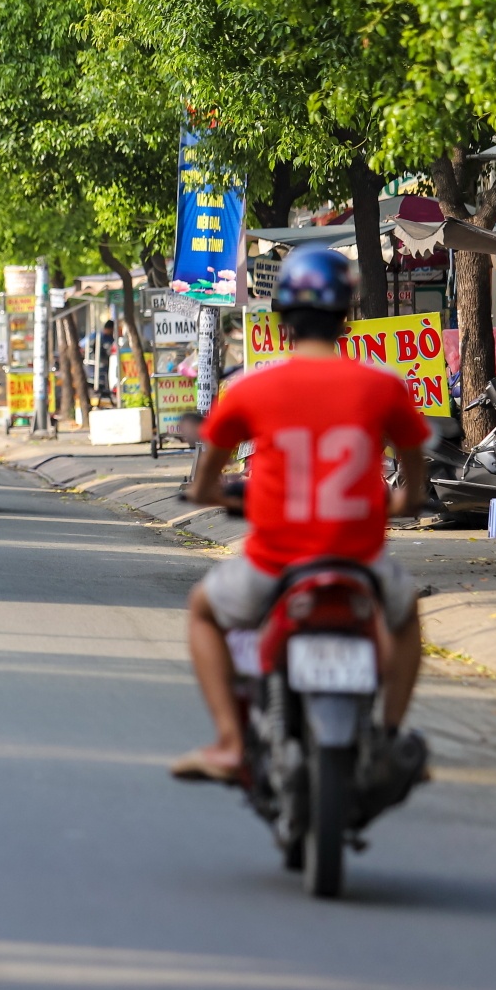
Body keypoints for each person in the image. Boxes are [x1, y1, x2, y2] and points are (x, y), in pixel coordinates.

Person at [172, 248, 431, 784]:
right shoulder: (384, 385)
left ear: (284, 318)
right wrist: (397, 505)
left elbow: (205, 483)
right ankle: (387, 736)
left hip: (274, 565)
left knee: (203, 611)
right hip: (361, 566)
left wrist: (217, 497)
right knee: (406, 617)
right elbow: (414, 487)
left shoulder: (250, 388)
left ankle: (231, 743)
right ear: (346, 317)